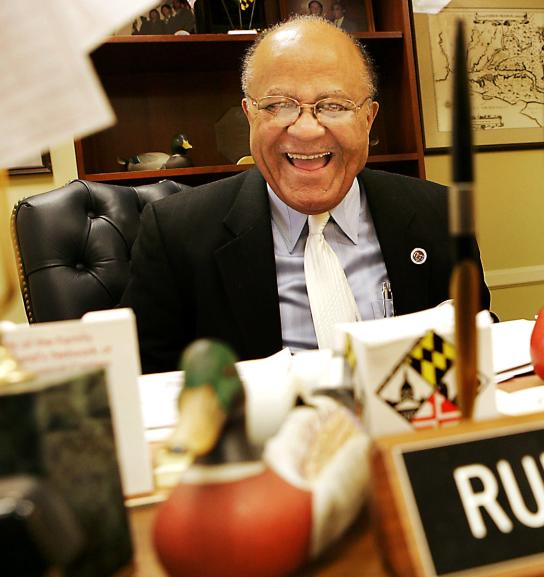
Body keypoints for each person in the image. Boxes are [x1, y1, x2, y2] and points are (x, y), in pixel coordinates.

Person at [121, 17, 491, 373]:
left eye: (333, 106)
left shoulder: (440, 215)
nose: (307, 130)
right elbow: (144, 392)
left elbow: (477, 354)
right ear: (250, 115)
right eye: (278, 105)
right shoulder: (175, 235)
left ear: (369, 119)